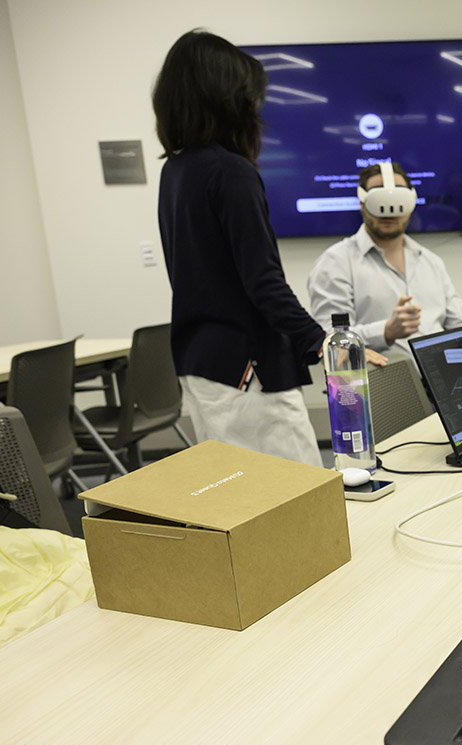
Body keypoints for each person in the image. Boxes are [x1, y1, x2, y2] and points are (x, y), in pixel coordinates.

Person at [152, 30, 384, 467]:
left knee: (234, 495)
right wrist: (325, 345)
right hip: (247, 367)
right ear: (228, 99)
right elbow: (262, 282)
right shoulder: (230, 171)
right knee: (298, 501)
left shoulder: (177, 170)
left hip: (203, 363)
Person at [307, 161, 462, 359]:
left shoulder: (431, 262)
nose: (389, 210)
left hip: (442, 381)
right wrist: (385, 331)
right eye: (379, 200)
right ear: (362, 203)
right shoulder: (335, 263)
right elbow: (330, 340)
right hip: (382, 385)